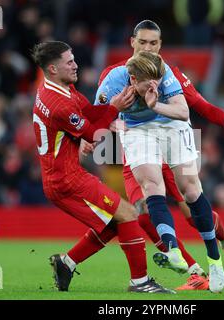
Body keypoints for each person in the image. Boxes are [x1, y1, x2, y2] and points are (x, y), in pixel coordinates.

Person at [81, 20, 224, 292]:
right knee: (142, 212)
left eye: (153, 43)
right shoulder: (113, 74)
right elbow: (99, 114)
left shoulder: (170, 74)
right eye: (142, 42)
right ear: (132, 43)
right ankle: (191, 268)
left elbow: (198, 105)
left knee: (191, 207)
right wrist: (96, 134)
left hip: (172, 135)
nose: (147, 48)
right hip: (138, 141)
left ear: (160, 45)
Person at [31, 40, 174, 294]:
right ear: (53, 69)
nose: (76, 64)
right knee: (129, 214)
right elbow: (93, 135)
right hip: (66, 181)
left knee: (114, 224)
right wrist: (115, 111)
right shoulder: (59, 105)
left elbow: (90, 113)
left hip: (65, 175)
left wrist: (112, 108)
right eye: (69, 62)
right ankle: (140, 283)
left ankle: (67, 263)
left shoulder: (58, 89)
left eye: (74, 58)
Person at [95, 49, 224, 293]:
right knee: (152, 186)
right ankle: (173, 251)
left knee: (191, 190)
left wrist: (155, 104)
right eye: (148, 84)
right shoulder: (112, 82)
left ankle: (215, 260)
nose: (155, 85)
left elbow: (183, 111)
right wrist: (114, 118)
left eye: (157, 81)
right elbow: (97, 118)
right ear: (133, 80)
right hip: (137, 130)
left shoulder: (163, 73)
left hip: (172, 124)